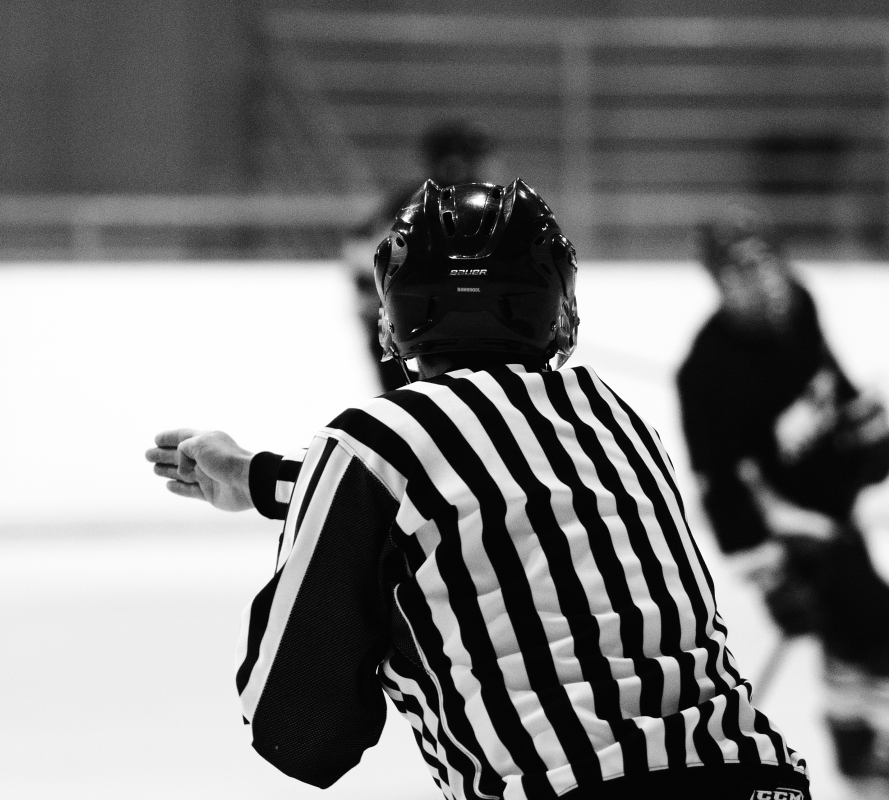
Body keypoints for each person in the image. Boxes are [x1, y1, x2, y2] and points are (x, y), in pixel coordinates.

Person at [148, 180, 812, 799]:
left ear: (395, 314)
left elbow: (298, 731)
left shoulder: (373, 443)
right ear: (559, 305)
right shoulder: (619, 423)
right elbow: (493, 490)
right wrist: (259, 476)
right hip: (762, 778)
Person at [677, 213, 889, 792]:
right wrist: (771, 578)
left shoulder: (799, 307)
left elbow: (829, 381)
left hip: (838, 513)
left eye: (767, 263)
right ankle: (857, 746)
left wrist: (865, 433)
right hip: (795, 536)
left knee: (854, 638)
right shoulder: (706, 372)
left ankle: (855, 746)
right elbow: (720, 487)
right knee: (876, 630)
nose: (763, 281)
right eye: (742, 272)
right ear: (719, 282)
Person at [346, 120, 500, 392]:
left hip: (413, 329)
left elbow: (361, 251)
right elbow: (363, 255)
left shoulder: (414, 199)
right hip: (424, 333)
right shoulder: (469, 203)